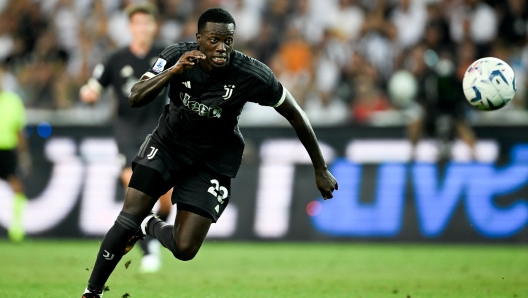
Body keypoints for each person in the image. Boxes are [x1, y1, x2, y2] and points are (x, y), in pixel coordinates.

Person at [81, 8, 338, 298]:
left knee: (184, 248)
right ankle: (93, 292)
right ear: (199, 39)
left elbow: (296, 113)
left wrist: (320, 167)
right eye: (214, 40)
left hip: (212, 161)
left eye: (228, 40)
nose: (222, 47)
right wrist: (174, 71)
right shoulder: (176, 55)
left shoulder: (251, 74)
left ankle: (148, 224)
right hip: (168, 145)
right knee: (127, 216)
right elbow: (136, 96)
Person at [79, 2, 172, 273]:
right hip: (127, 131)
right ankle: (148, 249)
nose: (142, 28)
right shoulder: (115, 58)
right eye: (137, 23)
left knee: (166, 199)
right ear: (130, 27)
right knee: (134, 185)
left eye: (147, 23)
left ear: (154, 26)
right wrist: (89, 93)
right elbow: (94, 85)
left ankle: (148, 234)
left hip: (160, 132)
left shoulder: (165, 55)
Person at [0, 63, 31, 243]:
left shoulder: (13, 101)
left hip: (6, 149)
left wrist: (24, 155)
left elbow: (19, 132)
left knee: (16, 187)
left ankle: (17, 229)